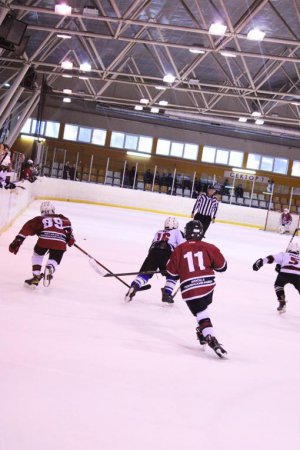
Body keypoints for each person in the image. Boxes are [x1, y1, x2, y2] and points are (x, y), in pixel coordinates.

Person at [164, 220, 227, 357]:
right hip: (207, 288)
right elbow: (222, 267)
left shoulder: (179, 249)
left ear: (186, 232)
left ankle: (209, 336)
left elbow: (172, 274)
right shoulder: (210, 247)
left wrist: (173, 270)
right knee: (202, 310)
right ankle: (202, 331)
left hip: (189, 290)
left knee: (201, 313)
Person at [8, 201, 75, 286]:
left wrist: (17, 242)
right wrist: (71, 239)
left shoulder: (39, 219)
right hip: (60, 242)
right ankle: (50, 267)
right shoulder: (63, 218)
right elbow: (68, 232)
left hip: (44, 240)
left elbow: (26, 230)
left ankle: (36, 276)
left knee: (37, 254)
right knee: (55, 259)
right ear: (53, 210)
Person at [125, 217, 185, 303]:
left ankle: (135, 285)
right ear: (176, 225)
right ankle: (167, 293)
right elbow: (182, 246)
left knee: (145, 272)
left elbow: (152, 245)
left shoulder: (158, 232)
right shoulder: (178, 232)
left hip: (153, 252)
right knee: (173, 274)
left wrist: (151, 259)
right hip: (168, 254)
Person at [253, 241, 300, 314]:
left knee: (278, 285)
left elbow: (271, 258)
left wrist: (261, 262)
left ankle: (282, 303)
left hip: (284, 273)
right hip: (298, 275)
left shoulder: (284, 254)